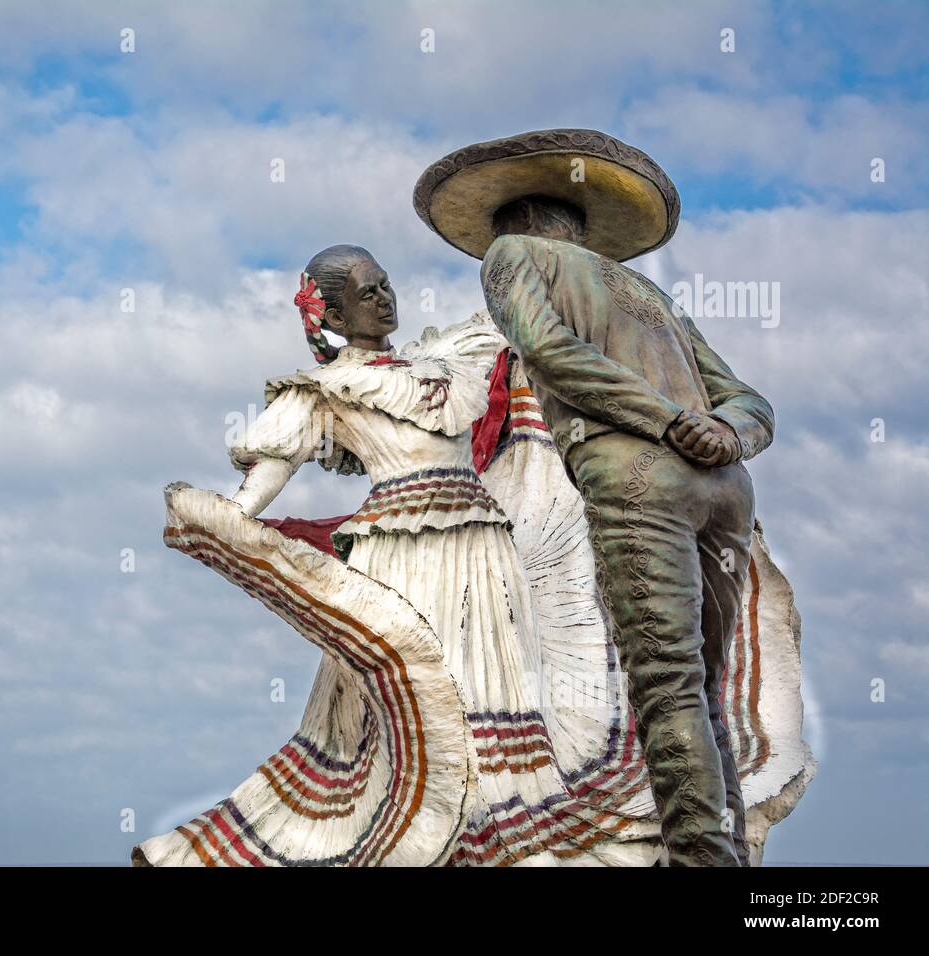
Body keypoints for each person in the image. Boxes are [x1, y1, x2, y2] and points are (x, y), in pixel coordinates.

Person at [133, 238, 811, 867]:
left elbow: (529, 339)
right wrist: (229, 521)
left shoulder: (445, 359)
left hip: (486, 549)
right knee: (419, 715)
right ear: (332, 311)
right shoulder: (321, 392)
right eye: (366, 293)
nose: (383, 299)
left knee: (504, 712)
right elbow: (266, 474)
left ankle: (503, 843)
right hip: (402, 558)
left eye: (386, 285)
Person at [416, 128, 777, 865]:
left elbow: (547, 349)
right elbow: (750, 400)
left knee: (668, 685)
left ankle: (703, 860)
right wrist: (723, 434)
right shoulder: (648, 294)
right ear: (578, 228)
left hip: (636, 472)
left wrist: (668, 423)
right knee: (704, 691)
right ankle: (726, 854)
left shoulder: (512, 259)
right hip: (726, 489)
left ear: (513, 226)